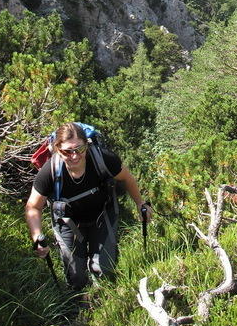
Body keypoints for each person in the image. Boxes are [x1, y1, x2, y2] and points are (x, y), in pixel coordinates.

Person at [26, 122, 151, 291]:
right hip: (68, 222)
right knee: (76, 276)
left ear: (87, 145)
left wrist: (140, 203)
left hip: (102, 214)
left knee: (104, 269)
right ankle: (79, 302)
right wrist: (37, 237)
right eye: (67, 151)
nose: (75, 156)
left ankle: (103, 301)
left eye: (80, 149)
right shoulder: (50, 171)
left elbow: (127, 178)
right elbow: (33, 207)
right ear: (57, 149)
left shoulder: (103, 158)